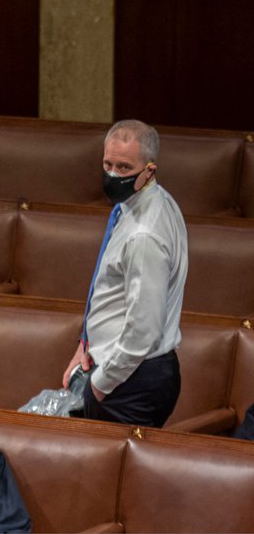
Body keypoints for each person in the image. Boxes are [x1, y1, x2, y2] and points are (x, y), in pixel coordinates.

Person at [62, 120, 187, 429]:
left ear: (149, 170)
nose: (113, 174)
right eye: (108, 164)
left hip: (133, 378)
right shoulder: (135, 204)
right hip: (119, 369)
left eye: (124, 167)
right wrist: (85, 347)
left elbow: (143, 331)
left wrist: (99, 385)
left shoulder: (144, 234)